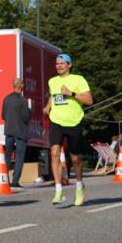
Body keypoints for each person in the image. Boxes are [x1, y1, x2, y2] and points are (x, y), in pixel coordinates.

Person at [44, 53, 93, 206]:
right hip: (56, 121)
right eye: (57, 63)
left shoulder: (78, 79)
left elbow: (89, 100)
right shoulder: (52, 81)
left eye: (62, 63)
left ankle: (79, 186)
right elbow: (53, 96)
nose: (59, 66)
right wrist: (47, 107)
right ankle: (58, 190)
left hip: (73, 122)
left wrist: (71, 94)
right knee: (54, 153)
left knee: (75, 159)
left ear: (69, 65)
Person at [1, 78, 30, 188]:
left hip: (8, 131)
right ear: (21, 86)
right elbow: (26, 117)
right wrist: (29, 111)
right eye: (23, 84)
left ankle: (5, 179)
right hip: (20, 132)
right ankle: (15, 181)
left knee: (7, 156)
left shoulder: (6, 99)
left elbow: (3, 115)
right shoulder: (23, 100)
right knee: (19, 156)